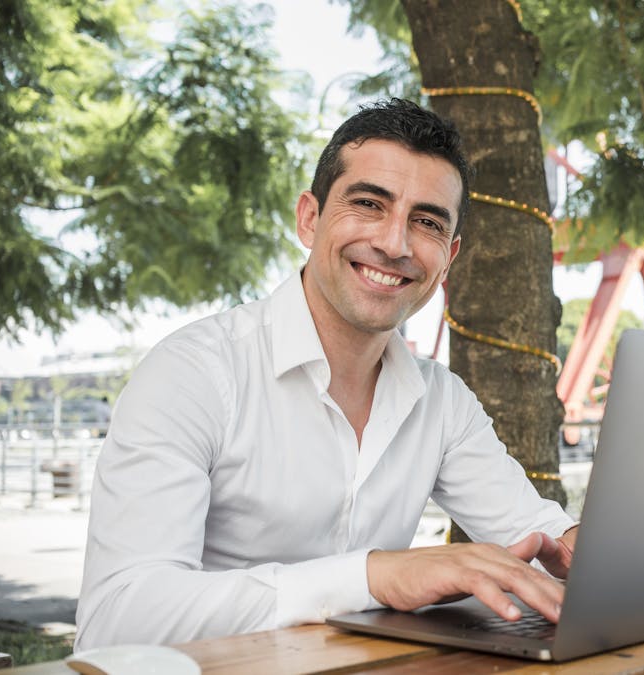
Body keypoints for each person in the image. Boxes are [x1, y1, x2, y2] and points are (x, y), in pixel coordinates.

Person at [75, 98, 578, 650]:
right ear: (309, 219)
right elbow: (119, 618)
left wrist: (592, 553)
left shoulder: (442, 401)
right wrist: (374, 577)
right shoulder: (193, 373)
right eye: (368, 204)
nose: (394, 244)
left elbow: (540, 535)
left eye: (427, 222)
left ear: (449, 255)